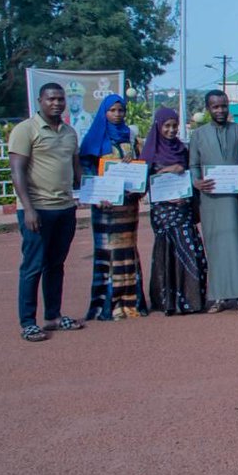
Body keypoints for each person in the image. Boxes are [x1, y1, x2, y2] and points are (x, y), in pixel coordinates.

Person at [10, 82, 83, 342]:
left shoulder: (69, 132)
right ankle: (28, 322)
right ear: (40, 100)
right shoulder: (25, 130)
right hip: (37, 210)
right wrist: (28, 208)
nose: (56, 103)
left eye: (60, 99)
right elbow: (17, 170)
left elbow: (76, 172)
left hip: (65, 208)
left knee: (56, 265)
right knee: (33, 266)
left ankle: (53, 315)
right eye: (51, 99)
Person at [190, 90, 238, 319]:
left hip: (235, 199)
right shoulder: (198, 135)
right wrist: (196, 182)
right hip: (210, 199)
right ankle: (218, 295)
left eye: (223, 106)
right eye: (215, 107)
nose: (220, 110)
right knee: (215, 246)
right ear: (207, 108)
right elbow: (193, 165)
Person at [80, 93, 147, 320]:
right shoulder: (93, 139)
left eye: (121, 111)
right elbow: (87, 173)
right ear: (104, 112)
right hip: (105, 208)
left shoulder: (131, 137)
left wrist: (139, 185)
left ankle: (131, 301)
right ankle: (108, 304)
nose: (118, 115)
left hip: (128, 207)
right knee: (109, 251)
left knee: (127, 250)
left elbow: (141, 168)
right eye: (113, 111)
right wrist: (99, 196)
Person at [143, 108, 207, 315]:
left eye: (174, 126)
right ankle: (167, 301)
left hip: (183, 208)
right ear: (158, 126)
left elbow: (191, 174)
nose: (171, 130)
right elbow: (143, 183)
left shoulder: (181, 149)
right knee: (167, 251)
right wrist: (167, 171)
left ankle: (192, 300)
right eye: (167, 126)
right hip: (163, 211)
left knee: (189, 250)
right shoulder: (150, 152)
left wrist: (186, 192)